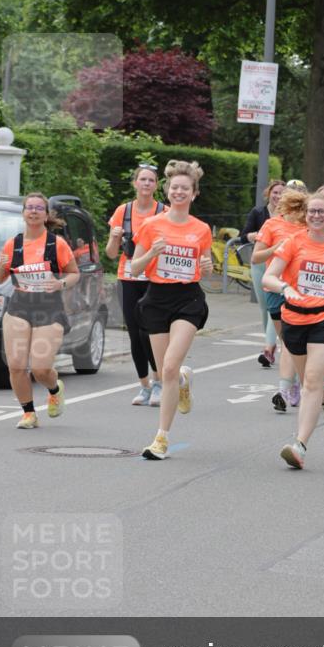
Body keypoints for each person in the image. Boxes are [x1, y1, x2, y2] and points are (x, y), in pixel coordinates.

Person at [262, 192, 324, 470]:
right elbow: (269, 277)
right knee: (310, 383)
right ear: (305, 215)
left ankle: (300, 445)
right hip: (294, 318)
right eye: (312, 211)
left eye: (322, 211)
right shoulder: (293, 242)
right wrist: (285, 287)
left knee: (311, 381)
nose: (317, 216)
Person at [131, 160, 213, 459]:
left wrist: (207, 267)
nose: (179, 192)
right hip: (157, 298)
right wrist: (152, 253)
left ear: (194, 193)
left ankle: (161, 439)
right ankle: (181, 380)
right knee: (166, 371)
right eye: (175, 187)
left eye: (185, 188)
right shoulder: (151, 225)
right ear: (167, 190)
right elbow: (134, 267)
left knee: (167, 367)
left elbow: (204, 267)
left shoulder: (201, 229)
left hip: (187, 299)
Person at [0, 193, 80, 429]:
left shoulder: (56, 244)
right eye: (29, 207)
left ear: (46, 214)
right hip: (19, 305)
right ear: (23, 213)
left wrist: (60, 283)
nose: (33, 211)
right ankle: (28, 413)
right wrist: (1, 267)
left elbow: (74, 274)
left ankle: (54, 388)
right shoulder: (13, 244)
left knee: (41, 369)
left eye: (39, 208)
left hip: (48, 307)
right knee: (16, 365)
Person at [106, 164, 165, 405]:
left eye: (151, 180)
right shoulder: (123, 211)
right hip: (128, 276)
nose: (146, 184)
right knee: (134, 333)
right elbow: (111, 254)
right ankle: (144, 385)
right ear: (135, 183)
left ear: (156, 185)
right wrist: (114, 237)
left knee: (149, 332)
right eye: (143, 179)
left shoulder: (163, 212)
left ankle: (159, 381)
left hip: (154, 278)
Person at [251, 188, 307, 412]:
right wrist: (276, 248)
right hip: (274, 287)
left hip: (299, 289)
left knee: (294, 340)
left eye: (299, 208)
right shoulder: (272, 225)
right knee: (286, 339)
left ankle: (290, 386)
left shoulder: (308, 226)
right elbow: (256, 257)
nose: (295, 212)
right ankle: (293, 383)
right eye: (291, 207)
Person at [240, 178, 286, 367]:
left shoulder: (289, 215)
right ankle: (272, 343)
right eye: (275, 192)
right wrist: (253, 236)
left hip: (280, 265)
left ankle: (268, 348)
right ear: (269, 194)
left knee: (275, 307)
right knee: (265, 307)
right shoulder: (258, 212)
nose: (278, 196)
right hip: (260, 263)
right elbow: (243, 236)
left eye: (282, 193)